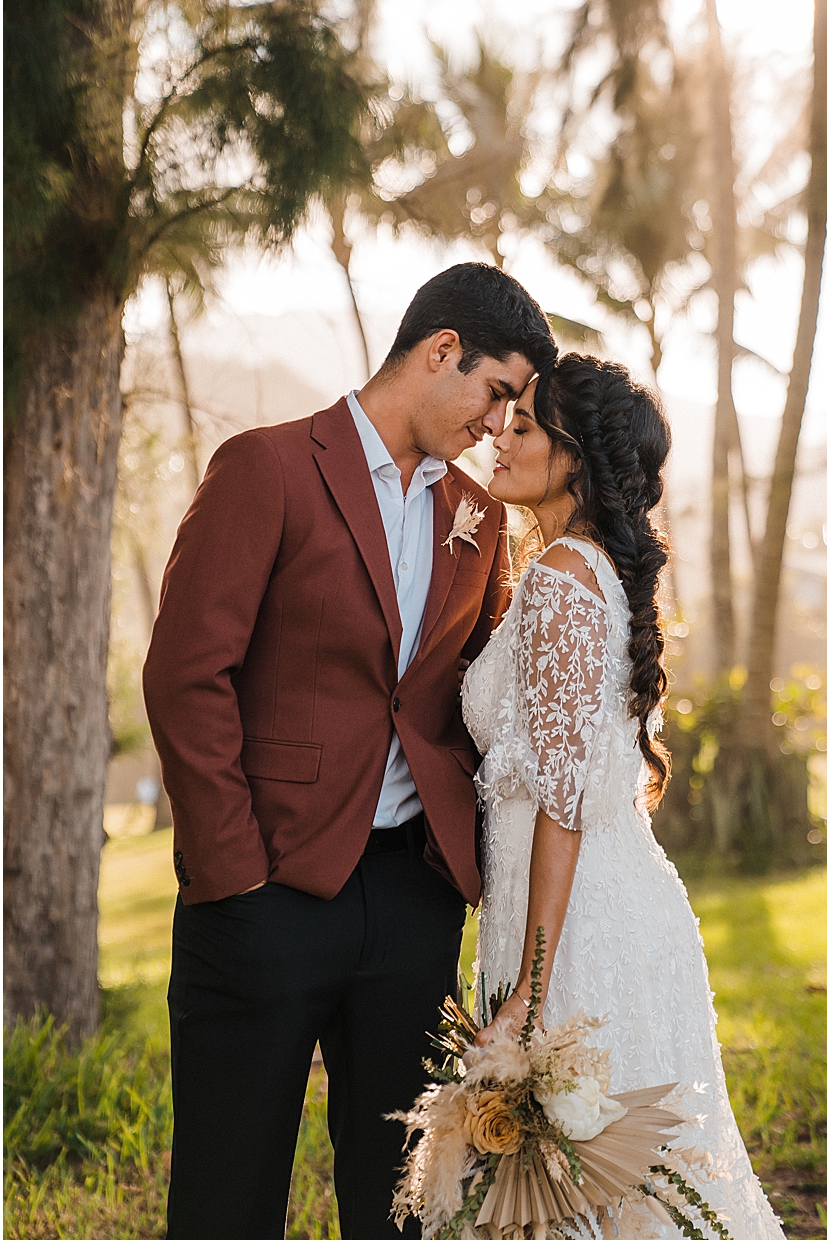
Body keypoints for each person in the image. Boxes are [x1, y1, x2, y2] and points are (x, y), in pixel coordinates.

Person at [144, 262, 557, 1238]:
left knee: (401, 1204)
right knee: (226, 1197)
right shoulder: (266, 467)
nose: (500, 425)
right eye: (496, 393)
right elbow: (184, 675)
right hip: (265, 893)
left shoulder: (480, 514)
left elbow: (458, 696)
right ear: (440, 350)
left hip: (410, 903)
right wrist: (234, 873)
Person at [461, 354, 784, 1239]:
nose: (499, 434)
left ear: (574, 459)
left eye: (523, 426)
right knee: (610, 1193)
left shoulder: (564, 579)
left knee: (592, 1194)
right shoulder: (584, 569)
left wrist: (528, 993)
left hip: (573, 932)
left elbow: (561, 804)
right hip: (594, 905)